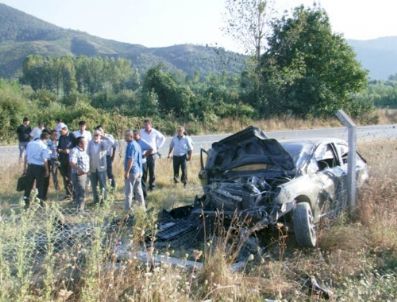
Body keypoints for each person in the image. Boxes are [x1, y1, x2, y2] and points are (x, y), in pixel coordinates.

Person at [23, 132, 51, 208]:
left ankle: (26, 201)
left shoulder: (30, 143)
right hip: (39, 167)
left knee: (28, 185)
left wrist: (24, 168)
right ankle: (39, 202)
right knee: (40, 186)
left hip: (30, 166)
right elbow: (45, 160)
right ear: (46, 139)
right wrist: (47, 170)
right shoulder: (43, 146)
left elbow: (26, 156)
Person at [87, 129, 113, 204]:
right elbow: (88, 155)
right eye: (95, 135)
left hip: (101, 168)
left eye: (98, 135)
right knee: (94, 186)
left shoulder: (103, 143)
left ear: (100, 136)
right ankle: (96, 201)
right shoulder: (90, 143)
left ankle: (104, 201)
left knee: (103, 186)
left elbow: (112, 142)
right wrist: (88, 168)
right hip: (93, 168)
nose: (96, 136)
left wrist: (104, 137)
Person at [139, 119, 165, 191]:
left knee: (152, 171)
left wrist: (158, 146)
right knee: (144, 171)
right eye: (145, 125)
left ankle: (152, 187)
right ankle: (143, 187)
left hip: (152, 154)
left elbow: (163, 138)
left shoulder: (154, 132)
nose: (146, 126)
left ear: (150, 125)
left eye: (147, 125)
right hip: (144, 154)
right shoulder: (141, 131)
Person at [124, 129, 145, 211]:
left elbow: (131, 159)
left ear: (131, 136)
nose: (125, 138)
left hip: (132, 171)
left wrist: (127, 172)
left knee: (128, 192)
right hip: (138, 171)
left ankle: (127, 211)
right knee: (139, 191)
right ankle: (143, 209)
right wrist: (140, 171)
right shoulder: (137, 144)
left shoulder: (131, 145)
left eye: (126, 136)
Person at [70, 137, 89, 211]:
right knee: (80, 192)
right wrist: (79, 170)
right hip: (78, 175)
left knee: (82, 191)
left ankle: (80, 207)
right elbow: (72, 162)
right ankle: (80, 209)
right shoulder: (75, 151)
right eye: (85, 142)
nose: (86, 144)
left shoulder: (83, 151)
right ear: (80, 143)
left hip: (84, 174)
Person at [133, 129, 153, 198]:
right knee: (135, 180)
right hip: (135, 164)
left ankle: (144, 195)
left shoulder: (142, 142)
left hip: (142, 163)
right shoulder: (133, 142)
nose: (134, 136)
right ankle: (136, 195)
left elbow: (151, 148)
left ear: (139, 135)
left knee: (142, 180)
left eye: (136, 135)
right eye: (133, 135)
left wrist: (144, 155)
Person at [58, 126, 74, 199]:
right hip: (62, 159)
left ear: (66, 130)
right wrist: (58, 149)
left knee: (70, 177)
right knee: (65, 177)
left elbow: (75, 146)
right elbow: (59, 146)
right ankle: (68, 194)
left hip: (70, 159)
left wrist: (69, 150)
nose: (61, 133)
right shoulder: (61, 137)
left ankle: (73, 193)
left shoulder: (72, 136)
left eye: (62, 131)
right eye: (60, 132)